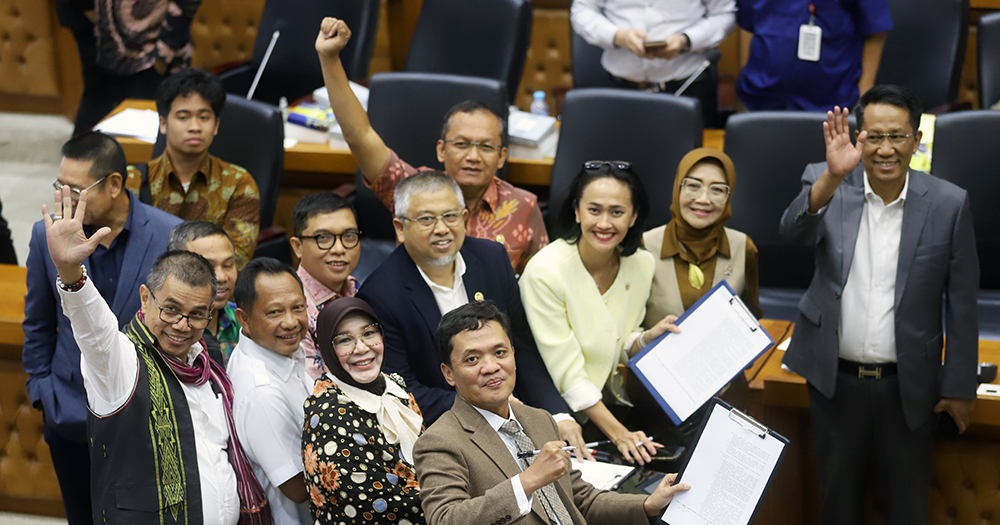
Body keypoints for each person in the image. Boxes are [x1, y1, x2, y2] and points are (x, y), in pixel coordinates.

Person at [780, 86, 978, 525]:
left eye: (898, 136)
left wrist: (958, 388)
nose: (885, 148)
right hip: (835, 378)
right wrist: (830, 180)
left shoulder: (948, 203)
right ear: (857, 137)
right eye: (875, 136)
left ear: (917, 140)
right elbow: (790, 231)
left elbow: (961, 307)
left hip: (906, 385)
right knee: (837, 504)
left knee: (908, 509)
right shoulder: (829, 178)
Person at [42, 183, 273, 525]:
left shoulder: (206, 360)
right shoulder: (120, 361)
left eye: (197, 314)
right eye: (170, 309)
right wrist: (71, 272)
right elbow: (93, 327)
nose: (181, 324)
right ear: (146, 298)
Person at [413, 300, 690, 525]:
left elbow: (580, 498)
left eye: (499, 352)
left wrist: (646, 505)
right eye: (472, 359)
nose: (491, 367)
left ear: (514, 354)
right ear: (449, 373)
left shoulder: (538, 418)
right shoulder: (440, 441)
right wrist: (525, 483)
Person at [22, 131, 180, 525]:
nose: (64, 198)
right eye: (58, 184)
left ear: (115, 183)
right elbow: (37, 320)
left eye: (75, 186)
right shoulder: (48, 236)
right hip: (70, 413)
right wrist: (42, 390)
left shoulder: (169, 235)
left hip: (141, 417)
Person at [356, 171, 584, 452]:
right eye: (427, 219)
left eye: (451, 216)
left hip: (513, 417)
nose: (442, 229)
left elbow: (522, 345)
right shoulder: (381, 294)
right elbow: (401, 388)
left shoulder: (492, 259)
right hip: (443, 432)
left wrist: (556, 415)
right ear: (400, 227)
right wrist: (483, 405)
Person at [314, 17, 548, 274]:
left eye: (486, 147)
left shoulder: (523, 206)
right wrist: (329, 58)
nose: (473, 156)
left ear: (502, 156)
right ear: (441, 150)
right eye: (461, 144)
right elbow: (359, 135)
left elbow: (540, 283)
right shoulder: (412, 190)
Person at [641, 148, 756, 525]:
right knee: (670, 506)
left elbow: (749, 318)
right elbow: (633, 326)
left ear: (730, 197)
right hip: (659, 407)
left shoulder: (743, 246)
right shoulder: (643, 247)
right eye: (693, 185)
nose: (703, 198)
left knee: (718, 510)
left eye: (718, 189)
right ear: (676, 189)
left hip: (722, 404)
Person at [304, 297, 458, 525]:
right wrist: (456, 507)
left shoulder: (395, 386)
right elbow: (374, 503)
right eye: (344, 340)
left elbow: (428, 458)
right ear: (327, 347)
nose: (361, 349)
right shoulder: (327, 411)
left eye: (369, 333)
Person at [519, 161, 681, 465]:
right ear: (577, 211)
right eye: (594, 210)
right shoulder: (545, 272)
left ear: (633, 217)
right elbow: (567, 374)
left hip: (608, 404)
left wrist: (647, 338)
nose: (605, 223)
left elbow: (617, 340)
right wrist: (621, 434)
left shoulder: (641, 264)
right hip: (555, 410)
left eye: (617, 212)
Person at [228, 258, 322, 525]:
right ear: (244, 319)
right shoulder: (261, 389)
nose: (291, 322)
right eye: (275, 312)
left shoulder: (283, 356)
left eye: (297, 307)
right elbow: (297, 487)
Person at [126, 68, 260, 268]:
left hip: (214, 292)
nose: (195, 127)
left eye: (204, 117)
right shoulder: (132, 180)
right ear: (163, 124)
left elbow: (236, 261)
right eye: (183, 117)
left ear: (216, 125)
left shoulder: (239, 183)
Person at [571, 0, 736, 128]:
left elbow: (723, 14)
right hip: (619, 86)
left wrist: (686, 40)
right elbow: (582, 10)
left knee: (689, 159)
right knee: (621, 157)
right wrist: (617, 36)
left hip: (688, 83)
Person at [56, 0, 202, 137]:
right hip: (94, 27)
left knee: (148, 129)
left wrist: (164, 51)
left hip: (152, 43)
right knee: (95, 114)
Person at [737, 0, 892, 111]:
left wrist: (863, 95)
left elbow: (875, 28)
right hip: (759, 95)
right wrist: (745, 77)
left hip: (831, 101)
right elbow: (747, 24)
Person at [289, 192, 362, 380]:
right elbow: (313, 389)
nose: (339, 249)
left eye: (349, 236)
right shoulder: (291, 307)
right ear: (297, 247)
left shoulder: (362, 290)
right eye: (323, 238)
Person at [168, 221, 240, 366]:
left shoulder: (243, 320)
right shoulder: (167, 328)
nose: (221, 277)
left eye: (228, 265)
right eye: (208, 266)